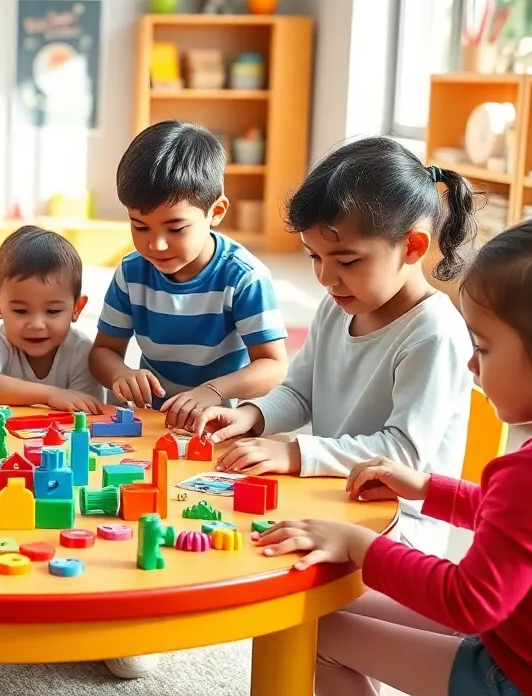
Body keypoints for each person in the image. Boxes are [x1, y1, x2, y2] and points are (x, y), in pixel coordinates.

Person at [256, 211, 532, 696]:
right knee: (327, 606)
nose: (470, 363)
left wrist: (357, 544)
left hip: (515, 674)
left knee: (310, 631)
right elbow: (529, 529)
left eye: (484, 348)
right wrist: (430, 490)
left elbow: (468, 601)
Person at [198, 138, 478, 555]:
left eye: (346, 261)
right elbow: (299, 391)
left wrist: (296, 453)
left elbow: (401, 453)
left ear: (413, 246)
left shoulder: (433, 333)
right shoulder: (339, 306)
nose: (326, 278)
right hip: (333, 500)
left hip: (396, 536)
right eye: (314, 256)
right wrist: (253, 416)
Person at [89, 120, 289, 433]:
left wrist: (213, 391)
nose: (156, 244)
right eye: (140, 227)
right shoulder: (131, 273)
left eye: (176, 228)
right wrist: (120, 374)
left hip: (218, 424)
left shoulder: (243, 277)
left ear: (217, 212)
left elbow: (274, 366)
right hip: (152, 420)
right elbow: (103, 352)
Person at [0, 225, 104, 412]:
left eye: (53, 311)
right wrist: (51, 395)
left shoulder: (81, 351)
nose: (37, 324)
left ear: (76, 309)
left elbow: (87, 416)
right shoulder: (1, 342)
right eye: (20, 311)